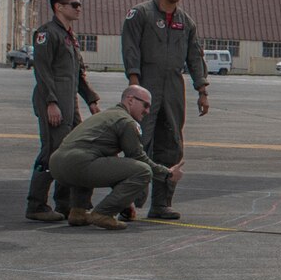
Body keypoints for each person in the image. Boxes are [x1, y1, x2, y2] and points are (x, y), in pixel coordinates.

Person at [120, 0, 210, 220]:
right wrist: (134, 82)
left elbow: (194, 56)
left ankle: (161, 203)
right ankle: (128, 202)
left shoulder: (186, 22)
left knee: (171, 144)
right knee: (138, 142)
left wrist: (201, 89)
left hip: (172, 87)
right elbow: (130, 47)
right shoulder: (140, 14)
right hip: (145, 85)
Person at [47, 84, 183, 229]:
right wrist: (167, 174)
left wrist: (125, 200)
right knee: (143, 171)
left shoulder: (105, 115)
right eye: (145, 105)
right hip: (78, 163)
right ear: (130, 100)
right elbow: (138, 158)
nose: (148, 111)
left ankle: (78, 212)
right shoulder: (126, 121)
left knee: (91, 160)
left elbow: (113, 163)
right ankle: (103, 213)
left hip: (57, 165)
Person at [24, 0, 100, 224]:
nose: (79, 8)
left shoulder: (69, 36)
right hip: (54, 102)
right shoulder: (47, 34)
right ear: (59, 7)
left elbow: (77, 75)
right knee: (52, 153)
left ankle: (66, 204)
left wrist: (92, 101)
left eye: (79, 4)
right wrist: (51, 103)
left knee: (72, 153)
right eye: (74, 5)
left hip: (70, 103)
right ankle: (36, 204)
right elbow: (43, 71)